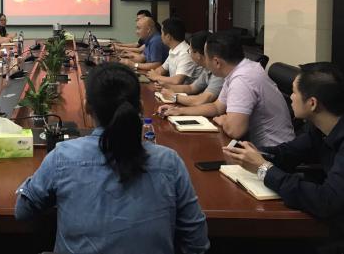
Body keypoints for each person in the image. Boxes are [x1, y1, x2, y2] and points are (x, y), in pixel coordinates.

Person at [15, 63, 209, 254]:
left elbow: (23, 212)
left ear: (87, 107)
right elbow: (197, 243)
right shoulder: (170, 162)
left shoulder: (63, 156)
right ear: (140, 107)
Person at [223, 62, 344, 235]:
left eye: (294, 92)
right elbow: (289, 152)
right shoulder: (319, 129)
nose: (291, 98)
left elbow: (326, 201)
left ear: (312, 103)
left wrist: (264, 168)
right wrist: (256, 153)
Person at [163, 32, 294, 147]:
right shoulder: (239, 70)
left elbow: (234, 130)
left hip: (272, 154)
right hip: (256, 149)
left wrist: (223, 119)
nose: (205, 62)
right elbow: (216, 107)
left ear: (217, 62)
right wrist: (180, 111)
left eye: (206, 57)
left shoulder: (242, 79)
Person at [156, 31, 224, 110]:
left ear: (198, 54)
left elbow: (204, 99)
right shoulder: (207, 69)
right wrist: (167, 86)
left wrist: (174, 97)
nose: (189, 53)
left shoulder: (219, 72)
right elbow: (191, 88)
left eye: (189, 50)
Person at [147, 18, 202, 86]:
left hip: (187, 91)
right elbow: (162, 69)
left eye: (162, 33)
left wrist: (157, 77)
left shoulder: (186, 53)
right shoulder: (173, 49)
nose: (161, 36)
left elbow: (177, 81)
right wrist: (156, 75)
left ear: (168, 37)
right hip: (174, 89)